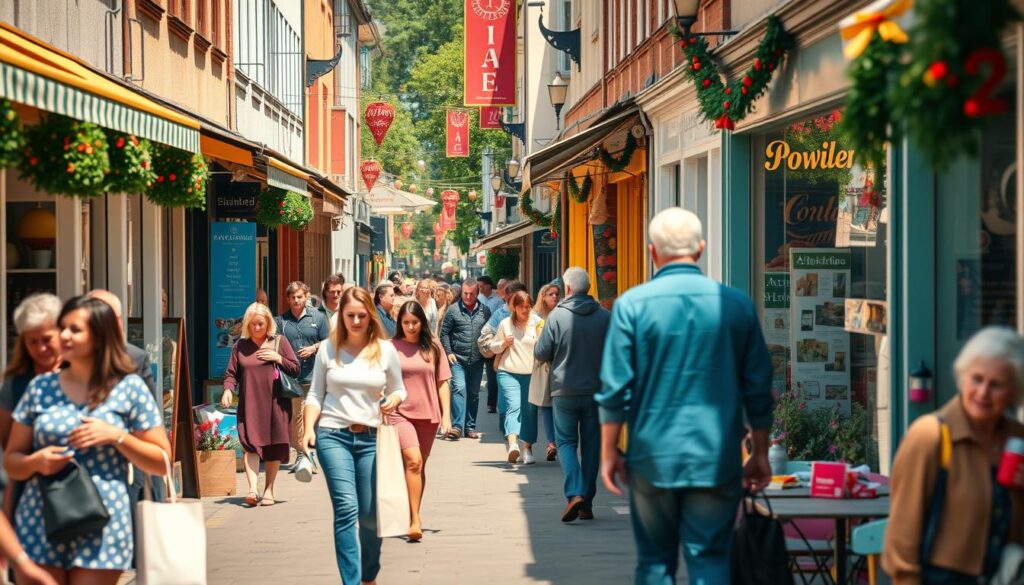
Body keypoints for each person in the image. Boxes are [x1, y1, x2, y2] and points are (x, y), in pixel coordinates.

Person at [596, 208, 773, 583]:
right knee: (710, 560)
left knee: (655, 564)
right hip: (716, 456)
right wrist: (760, 451)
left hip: (652, 456)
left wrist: (609, 451)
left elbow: (614, 389)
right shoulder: (735, 305)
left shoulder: (632, 306)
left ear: (652, 252)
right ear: (701, 249)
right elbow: (758, 388)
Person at [4, 296, 170, 584]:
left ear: (99, 336)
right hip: (40, 515)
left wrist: (118, 437)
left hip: (103, 522)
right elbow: (12, 461)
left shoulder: (128, 387)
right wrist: (35, 462)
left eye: (75, 330)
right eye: (62, 328)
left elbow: (162, 461)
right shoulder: (40, 387)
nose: (63, 336)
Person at [883, 327, 1024, 584]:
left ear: (1014, 391)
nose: (983, 393)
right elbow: (902, 540)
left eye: (996, 385)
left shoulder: (1017, 439)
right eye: (977, 379)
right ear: (962, 378)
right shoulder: (930, 436)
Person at [302, 287, 406, 585]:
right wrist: (309, 429)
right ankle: (351, 581)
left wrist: (395, 399)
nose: (357, 321)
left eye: (362, 315)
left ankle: (368, 575)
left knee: (371, 516)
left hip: (373, 438)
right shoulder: (327, 349)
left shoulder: (385, 349)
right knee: (346, 507)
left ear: (371, 315)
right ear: (341, 316)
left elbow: (399, 388)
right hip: (333, 435)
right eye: (350, 316)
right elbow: (314, 395)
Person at [535, 269, 610, 520]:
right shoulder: (605, 317)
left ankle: (575, 492)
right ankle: (587, 502)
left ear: (567, 289)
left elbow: (541, 352)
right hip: (597, 391)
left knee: (566, 442)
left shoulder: (556, 317)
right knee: (591, 446)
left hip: (563, 389)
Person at [221, 302, 300, 507]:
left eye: (261, 324)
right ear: (247, 324)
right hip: (250, 404)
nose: (257, 328)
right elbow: (231, 373)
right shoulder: (240, 346)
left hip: (276, 403)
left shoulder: (279, 342)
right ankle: (252, 489)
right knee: (250, 445)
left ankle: (269, 490)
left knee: (273, 448)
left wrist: (278, 358)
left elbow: (295, 369)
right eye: (254, 324)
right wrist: (228, 389)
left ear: (268, 323)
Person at [390, 301, 452, 542]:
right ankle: (414, 520)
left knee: (419, 466)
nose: (411, 327)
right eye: (406, 323)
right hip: (398, 413)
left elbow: (443, 382)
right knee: (413, 461)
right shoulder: (390, 347)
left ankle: (412, 510)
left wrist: (446, 416)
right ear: (400, 323)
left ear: (422, 322)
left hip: (428, 414)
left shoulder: (433, 347)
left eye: (415, 322)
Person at [276, 281, 330, 474]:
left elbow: (329, 341)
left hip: (316, 375)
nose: (297, 300)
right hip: (293, 378)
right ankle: (303, 454)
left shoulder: (319, 317)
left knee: (316, 417)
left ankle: (314, 452)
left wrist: (314, 348)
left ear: (306, 296)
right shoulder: (282, 321)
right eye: (293, 297)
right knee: (297, 417)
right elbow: (276, 345)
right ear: (288, 299)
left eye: (300, 296)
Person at [0, 294, 62, 449]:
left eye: (47, 339)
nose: (41, 348)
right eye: (33, 341)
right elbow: (6, 440)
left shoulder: (82, 373)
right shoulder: (16, 381)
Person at [487, 291, 542, 463]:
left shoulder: (538, 323)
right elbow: (492, 347)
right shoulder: (505, 324)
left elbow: (545, 347)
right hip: (508, 371)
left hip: (531, 374)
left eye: (528, 307)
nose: (525, 310)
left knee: (530, 412)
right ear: (514, 307)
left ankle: (527, 449)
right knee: (513, 406)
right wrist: (503, 343)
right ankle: (513, 446)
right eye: (521, 307)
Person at [438, 279, 491, 440]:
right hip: (457, 359)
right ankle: (457, 427)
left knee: (474, 394)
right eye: (465, 293)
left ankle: (470, 427)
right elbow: (444, 333)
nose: (467, 297)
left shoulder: (485, 311)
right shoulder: (453, 310)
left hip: (476, 360)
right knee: (458, 388)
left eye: (471, 294)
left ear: (477, 294)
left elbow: (489, 333)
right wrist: (448, 352)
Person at [527, 283, 561, 463]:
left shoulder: (562, 314)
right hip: (541, 367)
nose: (554, 297)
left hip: (560, 365)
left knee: (559, 405)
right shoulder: (535, 317)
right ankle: (551, 443)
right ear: (543, 296)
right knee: (546, 406)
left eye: (557, 294)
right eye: (551, 294)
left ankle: (558, 442)